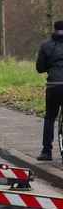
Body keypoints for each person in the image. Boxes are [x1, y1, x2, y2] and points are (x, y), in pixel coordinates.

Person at [35, 19, 63, 160]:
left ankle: (47, 152)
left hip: (54, 84)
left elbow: (40, 68)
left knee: (50, 118)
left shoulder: (47, 45)